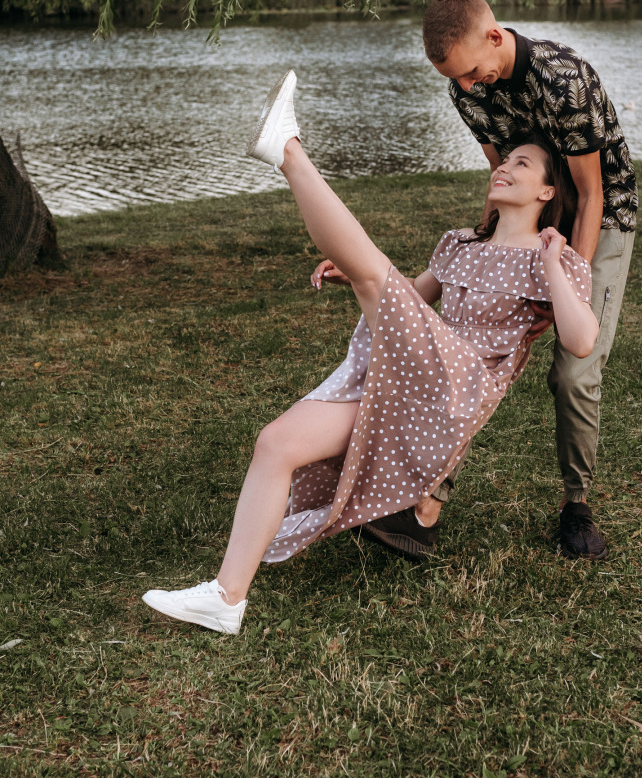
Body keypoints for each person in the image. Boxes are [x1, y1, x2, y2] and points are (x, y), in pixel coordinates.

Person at [141, 69, 598, 634]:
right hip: (414, 372)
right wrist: (356, 277)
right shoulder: (459, 245)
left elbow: (581, 340)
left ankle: (287, 149)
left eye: (521, 165)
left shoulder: (549, 260)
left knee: (375, 278)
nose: (503, 167)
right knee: (277, 442)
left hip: (459, 386)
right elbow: (413, 295)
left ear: (548, 192)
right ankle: (226, 599)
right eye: (504, 161)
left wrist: (553, 262)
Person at [363, 0, 636, 563]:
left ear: (493, 37)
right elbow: (500, 172)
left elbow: (589, 193)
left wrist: (567, 281)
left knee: (575, 371)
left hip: (599, 216)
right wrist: (484, 247)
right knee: (464, 351)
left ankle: (576, 506)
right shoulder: (468, 90)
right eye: (452, 79)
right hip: (529, 205)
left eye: (468, 73)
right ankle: (423, 508)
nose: (465, 87)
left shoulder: (564, 80)